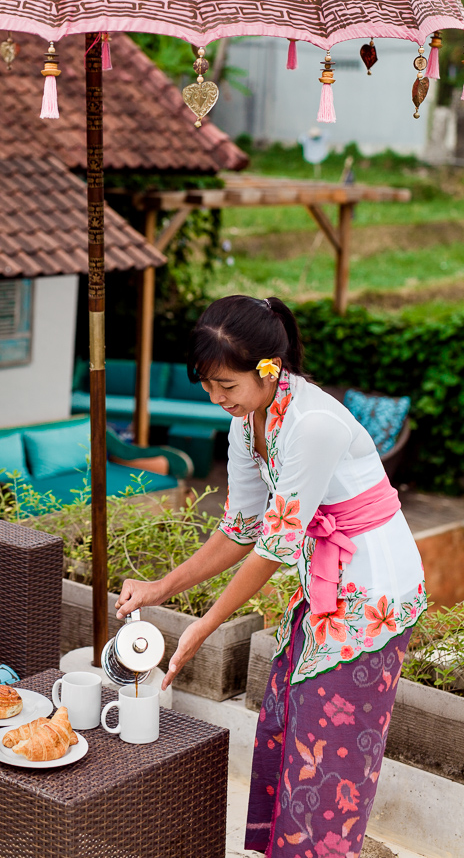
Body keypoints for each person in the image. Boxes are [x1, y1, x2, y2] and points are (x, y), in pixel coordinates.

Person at [116, 295, 425, 858]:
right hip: (329, 582)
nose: (216, 399)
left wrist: (203, 626)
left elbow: (274, 548)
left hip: (375, 590)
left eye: (225, 385)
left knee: (330, 753)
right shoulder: (249, 420)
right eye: (207, 385)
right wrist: (160, 589)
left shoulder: (313, 424)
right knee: (288, 719)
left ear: (269, 368)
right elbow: (239, 530)